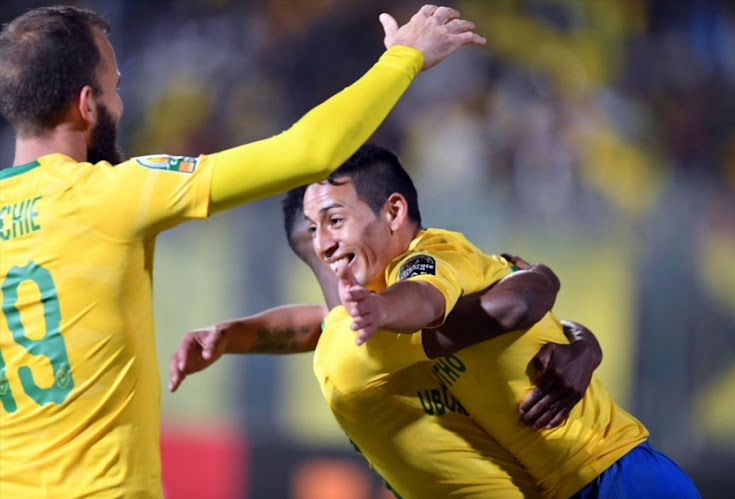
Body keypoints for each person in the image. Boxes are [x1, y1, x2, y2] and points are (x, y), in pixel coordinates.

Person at [0, 5, 485, 497]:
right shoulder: (111, 193)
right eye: (115, 89)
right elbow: (309, 153)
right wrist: (405, 58)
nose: (120, 107)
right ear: (87, 104)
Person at [300, 143, 701, 498]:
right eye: (313, 229)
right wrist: (582, 341)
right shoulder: (382, 311)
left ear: (393, 211)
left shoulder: (431, 256)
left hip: (617, 474)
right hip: (569, 484)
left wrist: (382, 310)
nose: (322, 244)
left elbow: (428, 292)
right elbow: (524, 302)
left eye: (335, 221)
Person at [169, 184, 604, 497]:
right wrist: (547, 285)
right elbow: (513, 305)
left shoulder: (388, 313)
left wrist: (230, 335)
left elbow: (320, 321)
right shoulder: (373, 336)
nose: (334, 242)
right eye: (324, 228)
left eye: (339, 219)